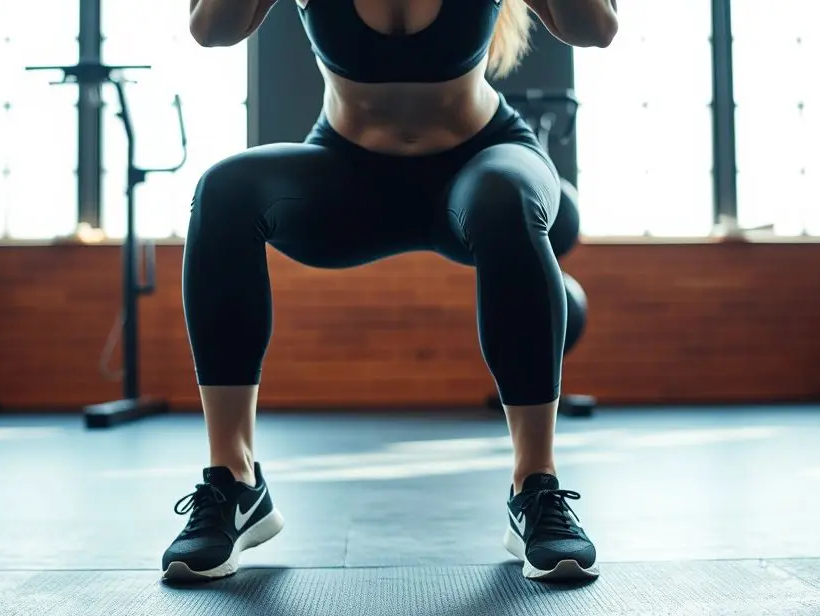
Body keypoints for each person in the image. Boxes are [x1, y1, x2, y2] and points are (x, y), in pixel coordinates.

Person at [164, 0, 619, 583]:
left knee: (506, 195)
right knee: (223, 192)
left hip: (481, 164)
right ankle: (235, 481)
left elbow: (596, 29)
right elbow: (211, 30)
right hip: (350, 178)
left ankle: (535, 485)